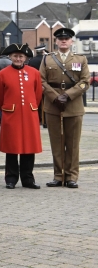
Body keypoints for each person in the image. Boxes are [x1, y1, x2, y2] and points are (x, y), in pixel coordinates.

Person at [40, 28, 90, 188]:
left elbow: (85, 81)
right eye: (60, 38)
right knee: (56, 142)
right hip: (53, 105)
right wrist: (55, 97)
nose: (63, 40)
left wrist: (68, 95)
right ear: (56, 41)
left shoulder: (80, 59)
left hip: (73, 104)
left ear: (71, 41)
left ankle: (71, 177)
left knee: (73, 143)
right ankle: (58, 175)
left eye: (66, 38)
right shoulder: (47, 59)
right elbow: (41, 81)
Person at [0, 44, 42, 189]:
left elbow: (38, 95)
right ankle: (11, 178)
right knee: (11, 147)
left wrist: (30, 106)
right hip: (11, 114)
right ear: (10, 57)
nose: (18, 59)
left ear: (25, 58)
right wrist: (7, 108)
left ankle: (28, 179)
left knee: (29, 146)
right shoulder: (2, 74)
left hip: (29, 114)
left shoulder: (34, 73)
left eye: (21, 56)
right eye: (15, 56)